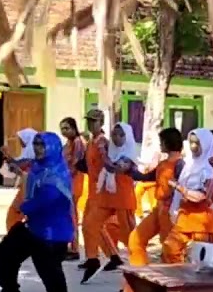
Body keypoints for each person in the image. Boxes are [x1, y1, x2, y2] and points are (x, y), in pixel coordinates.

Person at [0, 132, 74, 292]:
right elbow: (22, 168)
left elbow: (49, 198)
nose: (38, 148)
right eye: (36, 144)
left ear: (52, 147)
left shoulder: (58, 172)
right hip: (34, 226)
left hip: (53, 232)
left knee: (49, 271)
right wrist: (11, 160)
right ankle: (11, 291)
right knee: (6, 251)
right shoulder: (38, 166)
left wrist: (24, 207)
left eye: (42, 145)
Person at [80, 115, 138, 282]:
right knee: (90, 224)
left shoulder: (126, 154)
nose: (117, 138)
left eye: (121, 135)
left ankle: (139, 269)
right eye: (115, 134)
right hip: (105, 195)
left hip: (123, 198)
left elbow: (114, 167)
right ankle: (92, 260)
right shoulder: (105, 147)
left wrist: (105, 155)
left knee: (130, 238)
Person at [127, 128, 185, 266]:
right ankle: (140, 275)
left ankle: (173, 283)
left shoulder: (180, 164)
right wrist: (129, 170)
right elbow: (146, 177)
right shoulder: (163, 164)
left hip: (170, 211)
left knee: (169, 251)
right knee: (135, 239)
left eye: (161, 142)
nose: (160, 145)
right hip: (158, 209)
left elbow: (182, 190)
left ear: (167, 143)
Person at [162, 129, 213, 263]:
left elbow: (202, 196)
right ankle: (178, 281)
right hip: (185, 217)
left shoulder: (210, 169)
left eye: (197, 143)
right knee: (170, 249)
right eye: (191, 143)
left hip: (202, 222)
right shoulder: (190, 164)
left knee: (200, 261)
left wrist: (178, 187)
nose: (193, 147)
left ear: (205, 144)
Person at [61, 117, 88, 260]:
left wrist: (64, 175)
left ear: (73, 128)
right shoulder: (69, 143)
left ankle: (74, 248)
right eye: (62, 129)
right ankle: (67, 245)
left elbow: (76, 164)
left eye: (66, 128)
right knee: (66, 214)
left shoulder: (78, 142)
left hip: (74, 181)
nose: (64, 131)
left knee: (72, 215)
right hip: (66, 182)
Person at [3, 128, 39, 232]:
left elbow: (20, 165)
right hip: (27, 186)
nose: (20, 142)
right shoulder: (29, 150)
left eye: (21, 139)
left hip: (29, 188)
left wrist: (11, 161)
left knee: (17, 212)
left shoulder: (31, 150)